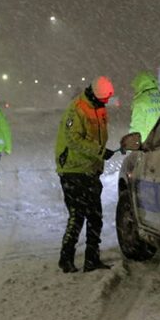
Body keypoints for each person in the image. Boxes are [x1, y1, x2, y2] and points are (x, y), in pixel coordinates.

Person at [55, 76, 116, 273]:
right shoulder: (77, 109)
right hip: (73, 170)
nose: (106, 103)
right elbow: (73, 140)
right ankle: (66, 259)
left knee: (95, 216)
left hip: (90, 169)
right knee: (77, 216)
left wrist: (99, 155)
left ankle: (92, 259)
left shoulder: (99, 107)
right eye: (104, 100)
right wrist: (99, 151)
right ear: (96, 96)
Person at [129, 70, 160, 139]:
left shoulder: (139, 102)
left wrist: (135, 144)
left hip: (150, 144)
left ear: (138, 85)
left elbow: (137, 126)